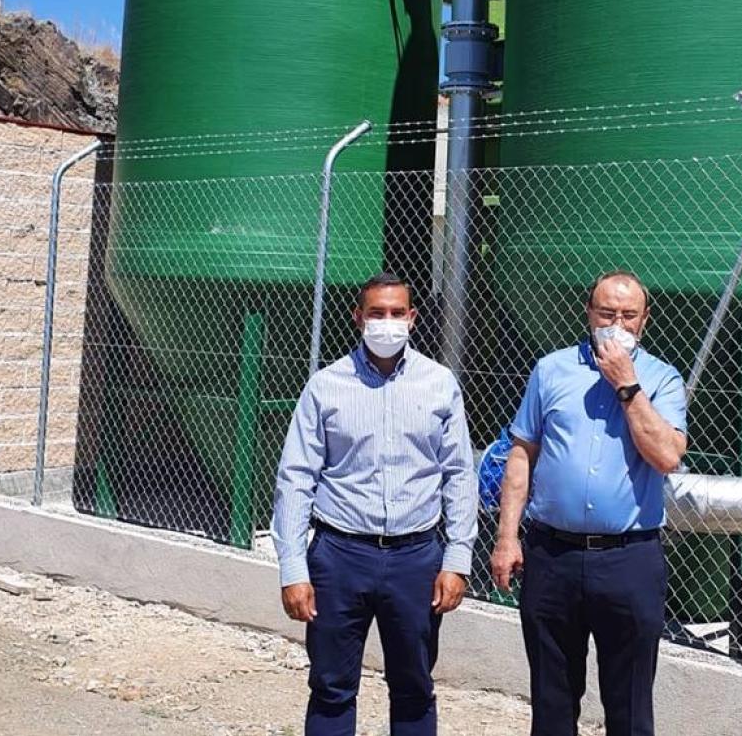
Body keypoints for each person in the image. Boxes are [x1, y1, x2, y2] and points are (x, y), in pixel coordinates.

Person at [272, 272, 479, 736]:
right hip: (339, 556)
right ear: (358, 318)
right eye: (376, 314)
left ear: (413, 318)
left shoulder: (439, 384)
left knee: (413, 686)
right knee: (331, 686)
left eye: (396, 314)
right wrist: (293, 568)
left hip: (416, 558)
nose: (387, 323)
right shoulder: (325, 387)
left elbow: (459, 475)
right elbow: (296, 476)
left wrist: (457, 559)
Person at [491, 270, 688, 736]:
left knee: (631, 704)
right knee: (552, 700)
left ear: (645, 320)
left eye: (628, 315)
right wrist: (505, 538)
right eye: (607, 313)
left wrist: (627, 386)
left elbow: (666, 455)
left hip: (629, 558)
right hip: (551, 555)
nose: (616, 323)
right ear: (589, 314)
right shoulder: (551, 370)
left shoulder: (662, 378)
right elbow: (522, 453)